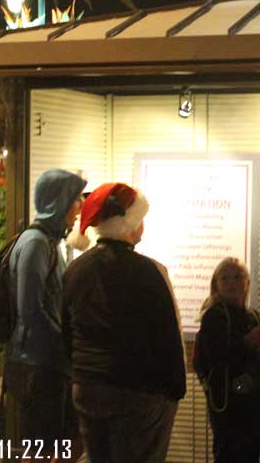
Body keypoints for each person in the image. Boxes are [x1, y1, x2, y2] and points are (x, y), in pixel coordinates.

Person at [62, 182, 185, 463]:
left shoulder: (76, 271)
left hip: (88, 385)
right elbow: (167, 335)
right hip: (137, 391)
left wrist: (80, 372)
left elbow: (66, 333)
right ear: (129, 223)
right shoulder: (150, 271)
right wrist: (175, 390)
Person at [3, 168, 86, 455]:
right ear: (59, 201)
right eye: (76, 200)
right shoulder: (36, 243)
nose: (80, 208)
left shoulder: (49, 242)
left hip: (51, 363)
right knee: (40, 448)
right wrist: (66, 345)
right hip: (38, 365)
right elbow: (31, 310)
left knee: (67, 443)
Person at [194, 258, 260, 463]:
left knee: (251, 451)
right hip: (225, 399)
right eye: (225, 278)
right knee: (228, 451)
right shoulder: (214, 316)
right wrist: (247, 343)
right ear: (216, 285)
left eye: (238, 277)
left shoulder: (253, 316)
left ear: (247, 282)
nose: (232, 283)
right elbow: (216, 356)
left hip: (251, 398)